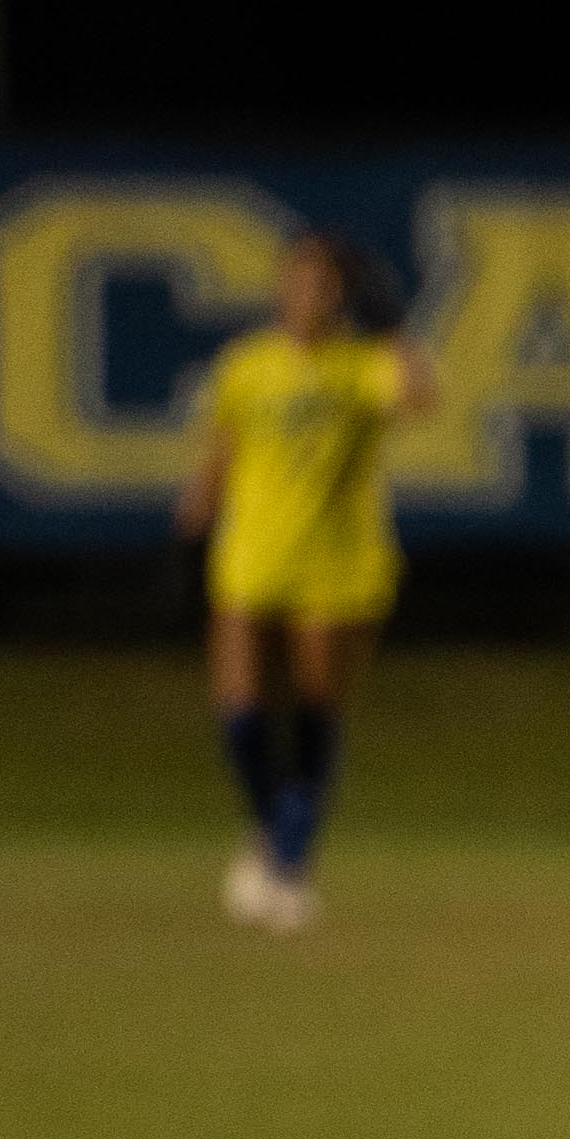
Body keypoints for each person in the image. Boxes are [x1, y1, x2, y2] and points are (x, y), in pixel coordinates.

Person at [171, 231, 433, 932]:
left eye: (323, 285)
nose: (309, 295)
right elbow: (224, 445)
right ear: (281, 289)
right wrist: (201, 498)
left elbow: (418, 398)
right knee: (240, 713)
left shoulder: (360, 365)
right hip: (254, 555)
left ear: (339, 297)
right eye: (299, 281)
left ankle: (288, 865)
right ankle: (272, 832)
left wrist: (396, 330)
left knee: (316, 711)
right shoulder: (248, 365)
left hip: (337, 562)